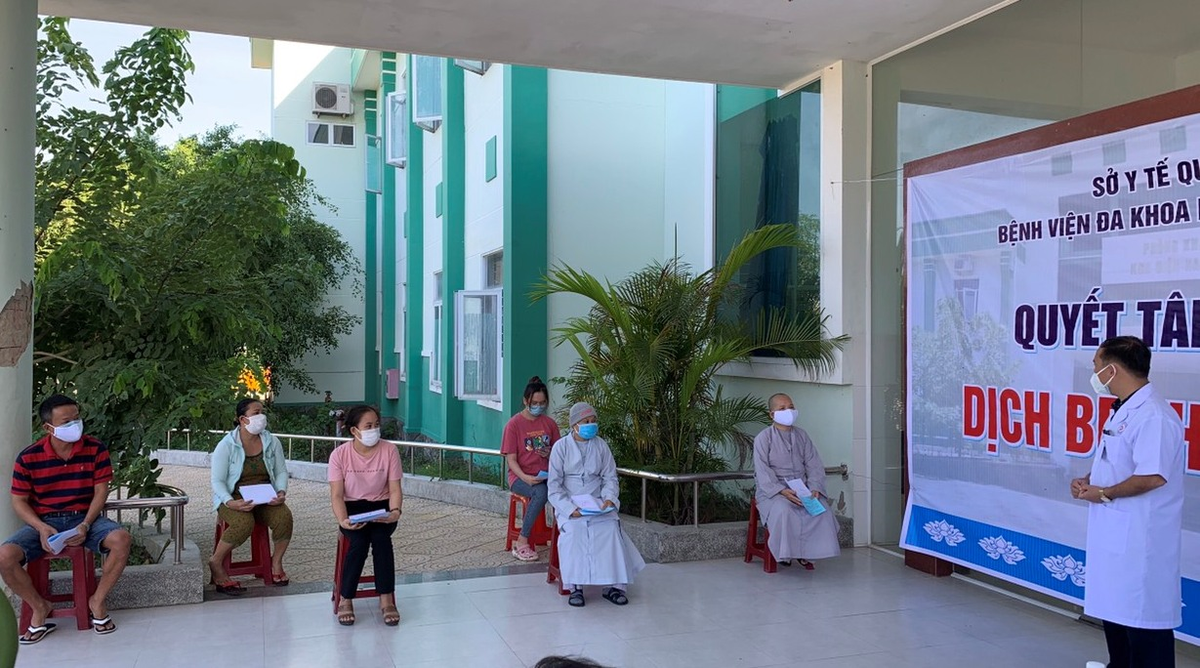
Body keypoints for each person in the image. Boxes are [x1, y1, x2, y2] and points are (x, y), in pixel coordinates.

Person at [1070, 336, 1184, 668]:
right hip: (1116, 534)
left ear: (1112, 370)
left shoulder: (1154, 416)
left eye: (1096, 365)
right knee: (1117, 614)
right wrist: (1090, 480)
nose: (1093, 372)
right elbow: (1120, 461)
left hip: (1141, 540)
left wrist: (1105, 493)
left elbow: (1153, 476)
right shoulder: (1124, 409)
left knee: (1142, 622)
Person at [0, 394, 132, 644]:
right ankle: (39, 607)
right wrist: (41, 527)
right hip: (44, 521)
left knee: (121, 539)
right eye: (66, 421)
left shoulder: (95, 448)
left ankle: (97, 602)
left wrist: (85, 524)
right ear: (48, 427)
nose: (75, 425)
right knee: (4, 556)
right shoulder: (28, 457)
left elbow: (101, 491)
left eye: (77, 418)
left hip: (85, 517)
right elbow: (19, 501)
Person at [547, 402, 644, 607]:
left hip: (597, 503)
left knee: (610, 530)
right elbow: (554, 486)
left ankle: (614, 586)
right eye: (586, 422)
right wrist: (570, 509)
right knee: (575, 533)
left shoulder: (601, 446)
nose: (590, 425)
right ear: (574, 425)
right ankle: (576, 587)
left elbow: (610, 477)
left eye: (593, 421)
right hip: (570, 503)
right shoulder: (560, 447)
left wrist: (609, 499)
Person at [329, 405, 403, 627]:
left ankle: (386, 598)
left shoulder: (389, 450)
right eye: (368, 426)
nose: (374, 430)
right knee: (359, 542)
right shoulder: (339, 455)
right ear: (354, 430)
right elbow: (337, 495)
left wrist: (395, 512)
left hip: (381, 507)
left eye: (376, 425)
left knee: (381, 539)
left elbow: (395, 489)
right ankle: (346, 598)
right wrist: (343, 520)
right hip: (352, 508)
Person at [209, 398, 293, 594]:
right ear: (242, 419)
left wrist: (281, 491)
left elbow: (281, 471)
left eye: (262, 412)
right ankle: (216, 562)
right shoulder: (227, 445)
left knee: (284, 517)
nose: (261, 417)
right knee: (243, 523)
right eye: (256, 413)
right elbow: (217, 481)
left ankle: (276, 563)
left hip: (265, 496)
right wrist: (230, 502)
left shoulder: (271, 441)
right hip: (234, 497)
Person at [752, 393, 840, 569]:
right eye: (782, 408)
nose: (789, 411)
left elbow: (814, 464)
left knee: (822, 511)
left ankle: (808, 553)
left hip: (802, 488)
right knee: (784, 511)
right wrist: (782, 491)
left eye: (791, 407)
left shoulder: (802, 435)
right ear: (772, 414)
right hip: (774, 492)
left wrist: (814, 487)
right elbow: (762, 471)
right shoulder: (763, 438)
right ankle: (786, 553)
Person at [501, 376, 561, 561]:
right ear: (526, 401)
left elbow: (560, 454)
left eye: (542, 403)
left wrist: (549, 453)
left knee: (565, 489)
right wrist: (526, 478)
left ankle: (564, 538)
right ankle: (522, 541)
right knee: (541, 492)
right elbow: (511, 460)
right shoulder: (513, 425)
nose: (539, 406)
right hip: (520, 477)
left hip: (546, 475)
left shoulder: (549, 424)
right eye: (535, 403)